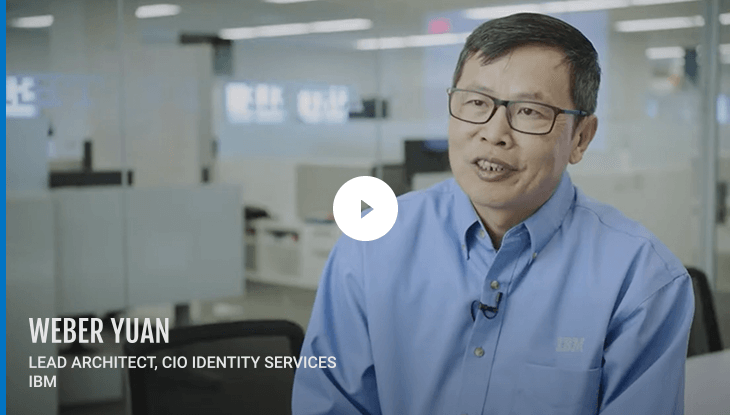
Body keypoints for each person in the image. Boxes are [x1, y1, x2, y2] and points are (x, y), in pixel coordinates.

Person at [292, 13, 694, 415]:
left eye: (530, 111)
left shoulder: (642, 280)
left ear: (581, 138)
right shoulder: (372, 243)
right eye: (476, 102)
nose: (494, 133)